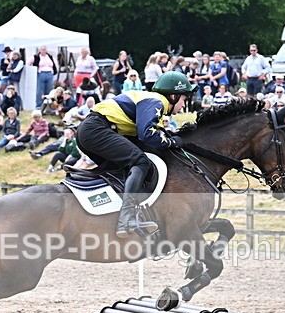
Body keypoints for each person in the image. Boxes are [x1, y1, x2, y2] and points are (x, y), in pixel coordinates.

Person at [75, 71, 195, 237]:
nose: (183, 105)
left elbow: (145, 138)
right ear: (173, 96)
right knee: (141, 162)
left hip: (91, 130)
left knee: (126, 166)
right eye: (184, 99)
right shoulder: (156, 101)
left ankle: (114, 214)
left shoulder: (152, 102)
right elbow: (147, 134)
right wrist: (172, 142)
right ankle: (126, 219)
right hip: (96, 129)